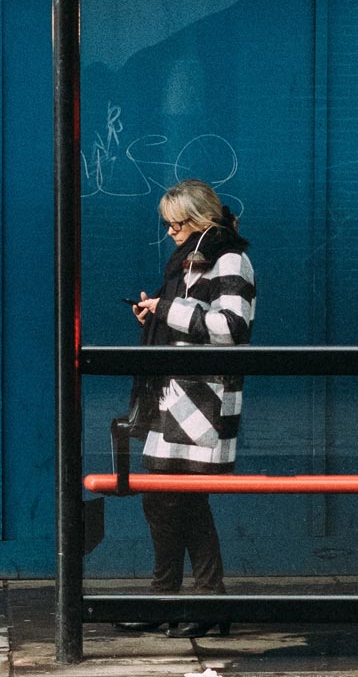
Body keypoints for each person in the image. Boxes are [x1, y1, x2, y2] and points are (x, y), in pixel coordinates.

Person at [120, 179, 256, 638]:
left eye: (177, 223)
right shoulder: (191, 259)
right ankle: (180, 599)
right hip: (174, 391)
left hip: (202, 396)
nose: (171, 232)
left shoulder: (230, 258)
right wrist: (156, 312)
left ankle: (194, 600)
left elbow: (232, 327)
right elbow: (191, 317)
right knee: (164, 498)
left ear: (200, 220)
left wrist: (168, 310)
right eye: (168, 224)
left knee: (181, 498)